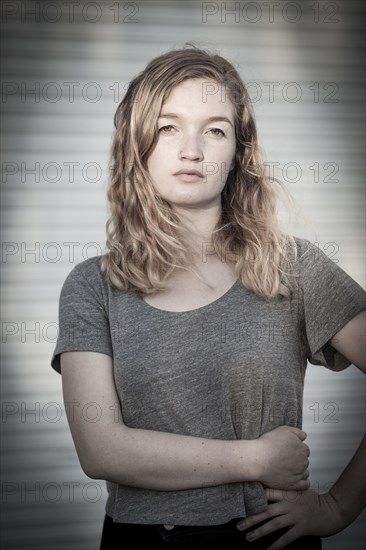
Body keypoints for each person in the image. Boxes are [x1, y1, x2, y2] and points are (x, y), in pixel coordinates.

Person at [51, 47, 366, 549]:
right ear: (138, 144)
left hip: (267, 539)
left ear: (238, 151)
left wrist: (339, 508)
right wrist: (257, 459)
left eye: (215, 130)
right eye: (169, 126)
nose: (192, 150)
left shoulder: (293, 266)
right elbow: (101, 450)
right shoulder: (92, 285)